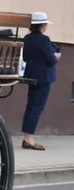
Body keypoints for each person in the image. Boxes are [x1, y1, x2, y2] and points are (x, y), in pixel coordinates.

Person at [21, 12, 60, 151]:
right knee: (37, 107)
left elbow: (25, 57)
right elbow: (51, 60)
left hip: (31, 75)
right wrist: (57, 56)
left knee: (30, 106)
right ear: (43, 25)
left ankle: (26, 138)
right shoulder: (44, 40)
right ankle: (30, 139)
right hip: (44, 77)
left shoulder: (26, 38)